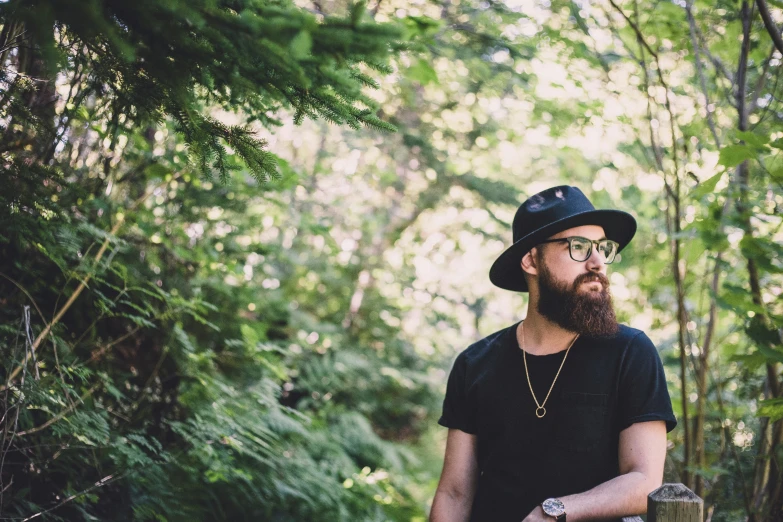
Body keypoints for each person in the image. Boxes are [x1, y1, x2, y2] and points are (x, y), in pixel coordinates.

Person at [429, 185, 676, 522]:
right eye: (578, 247)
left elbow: (644, 482)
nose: (597, 263)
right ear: (531, 260)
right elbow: (455, 492)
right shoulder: (475, 365)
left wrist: (555, 512)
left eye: (603, 248)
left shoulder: (631, 352)